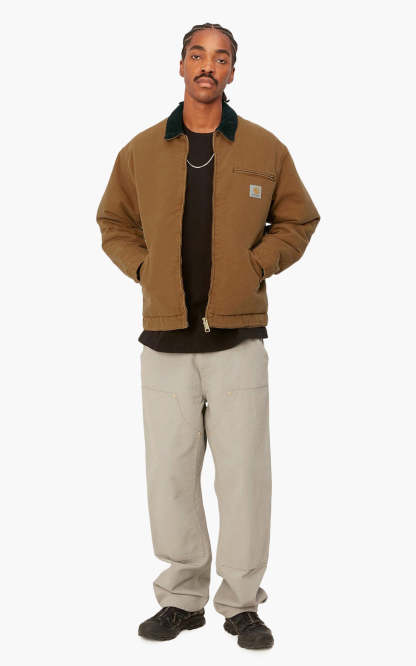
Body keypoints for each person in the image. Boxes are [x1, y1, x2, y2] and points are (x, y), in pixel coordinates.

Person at [96, 22, 320, 650]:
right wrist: (144, 269)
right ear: (181, 65)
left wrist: (257, 264)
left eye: (221, 58)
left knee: (244, 478)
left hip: (238, 340)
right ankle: (181, 598)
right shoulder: (140, 151)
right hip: (165, 341)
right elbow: (113, 220)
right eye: (198, 55)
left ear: (232, 72)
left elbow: (299, 219)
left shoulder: (265, 148)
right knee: (169, 476)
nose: (208, 66)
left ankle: (241, 604)